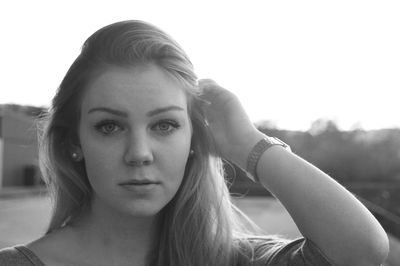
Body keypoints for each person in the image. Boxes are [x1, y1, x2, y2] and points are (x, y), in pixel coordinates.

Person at [0, 20, 389, 266]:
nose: (139, 154)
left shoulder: (237, 260)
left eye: (165, 125)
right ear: (74, 141)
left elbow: (362, 252)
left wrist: (246, 144)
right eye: (109, 127)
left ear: (193, 139)